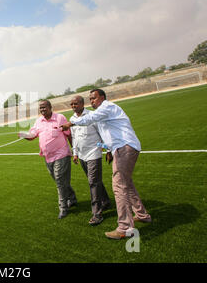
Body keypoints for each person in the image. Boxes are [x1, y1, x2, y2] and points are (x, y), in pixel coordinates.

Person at [61, 89, 151, 239]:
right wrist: (107, 149)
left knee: (119, 185)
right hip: (121, 148)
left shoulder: (106, 107)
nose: (92, 101)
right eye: (90, 99)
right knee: (126, 184)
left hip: (125, 147)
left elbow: (88, 119)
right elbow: (106, 137)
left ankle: (125, 227)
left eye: (94, 98)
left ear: (102, 97)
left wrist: (70, 123)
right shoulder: (102, 116)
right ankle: (142, 214)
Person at [20, 99, 77, 219]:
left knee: (60, 180)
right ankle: (72, 197)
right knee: (59, 180)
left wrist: (74, 151)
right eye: (40, 108)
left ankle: (63, 207)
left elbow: (69, 134)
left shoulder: (60, 118)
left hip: (62, 154)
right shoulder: (38, 121)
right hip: (48, 157)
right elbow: (32, 136)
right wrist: (24, 135)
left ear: (50, 107)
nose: (42, 110)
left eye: (44, 107)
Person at [69, 96, 111, 226]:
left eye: (76, 103)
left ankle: (97, 214)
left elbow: (103, 133)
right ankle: (105, 202)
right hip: (82, 155)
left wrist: (108, 149)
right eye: (71, 104)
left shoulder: (92, 116)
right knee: (95, 181)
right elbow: (74, 138)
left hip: (94, 152)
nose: (73, 106)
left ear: (82, 104)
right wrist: (75, 154)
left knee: (93, 182)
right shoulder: (72, 119)